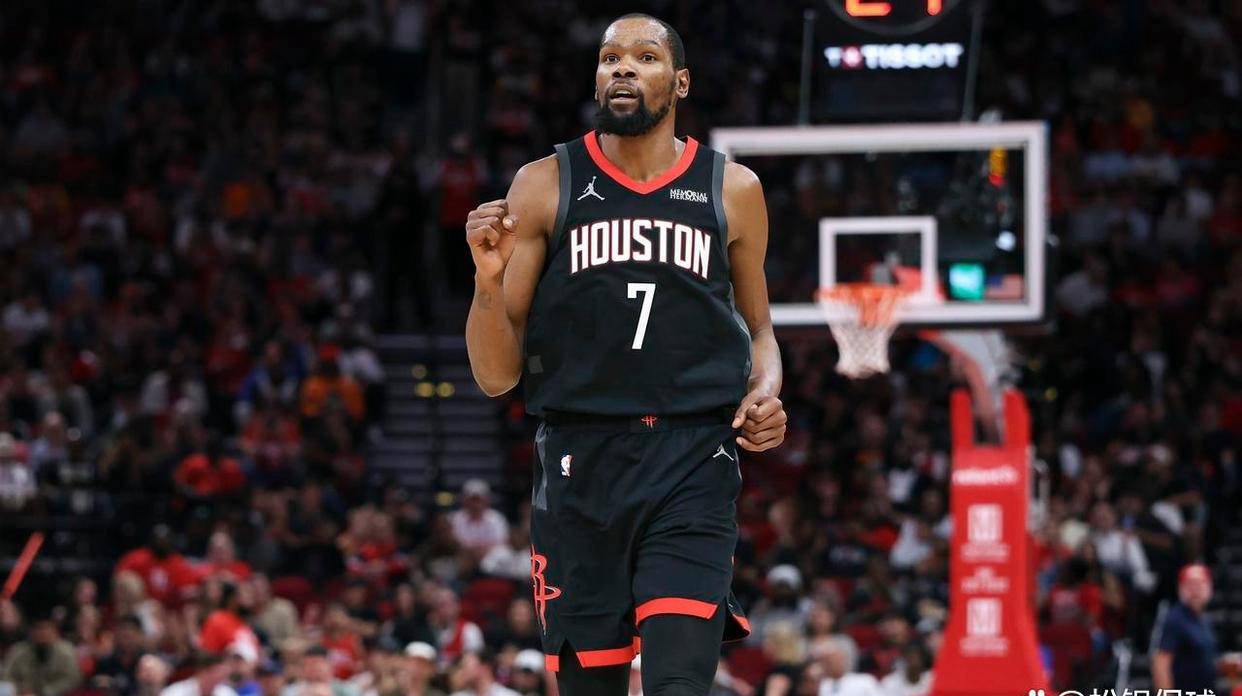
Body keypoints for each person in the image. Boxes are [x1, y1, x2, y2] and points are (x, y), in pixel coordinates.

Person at [463, 12, 785, 696]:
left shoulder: (734, 189)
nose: (624, 69)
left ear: (681, 82)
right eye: (611, 58)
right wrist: (487, 284)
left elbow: (759, 329)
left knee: (679, 682)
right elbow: (494, 376)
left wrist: (766, 391)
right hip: (579, 465)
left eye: (644, 56)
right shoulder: (544, 184)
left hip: (692, 460)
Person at [1152, 563, 1230, 692]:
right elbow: (1161, 663)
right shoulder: (1175, 619)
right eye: (1190, 585)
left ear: (1209, 588)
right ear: (1180, 589)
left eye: (1200, 584)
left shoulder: (1204, 619)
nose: (1195, 590)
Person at [0, 610, 82, 696]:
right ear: (31, 631)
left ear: (54, 630)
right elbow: (6, 676)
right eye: (37, 628)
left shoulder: (66, 652)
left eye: (45, 628)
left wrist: (44, 692)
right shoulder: (19, 651)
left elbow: (73, 679)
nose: (41, 633)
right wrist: (19, 690)